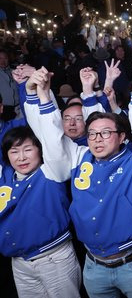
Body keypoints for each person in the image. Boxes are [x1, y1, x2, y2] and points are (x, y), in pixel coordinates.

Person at [24, 66, 132, 298]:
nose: (96, 139)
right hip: (93, 266)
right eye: (91, 134)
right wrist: (38, 94)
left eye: (105, 133)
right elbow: (49, 138)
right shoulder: (79, 156)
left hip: (131, 264)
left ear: (122, 137)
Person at [0, 126, 81, 297]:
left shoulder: (50, 172)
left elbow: (50, 131)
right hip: (20, 262)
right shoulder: (6, 177)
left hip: (53, 259)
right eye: (14, 151)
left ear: (40, 150)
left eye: (28, 149)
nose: (21, 157)